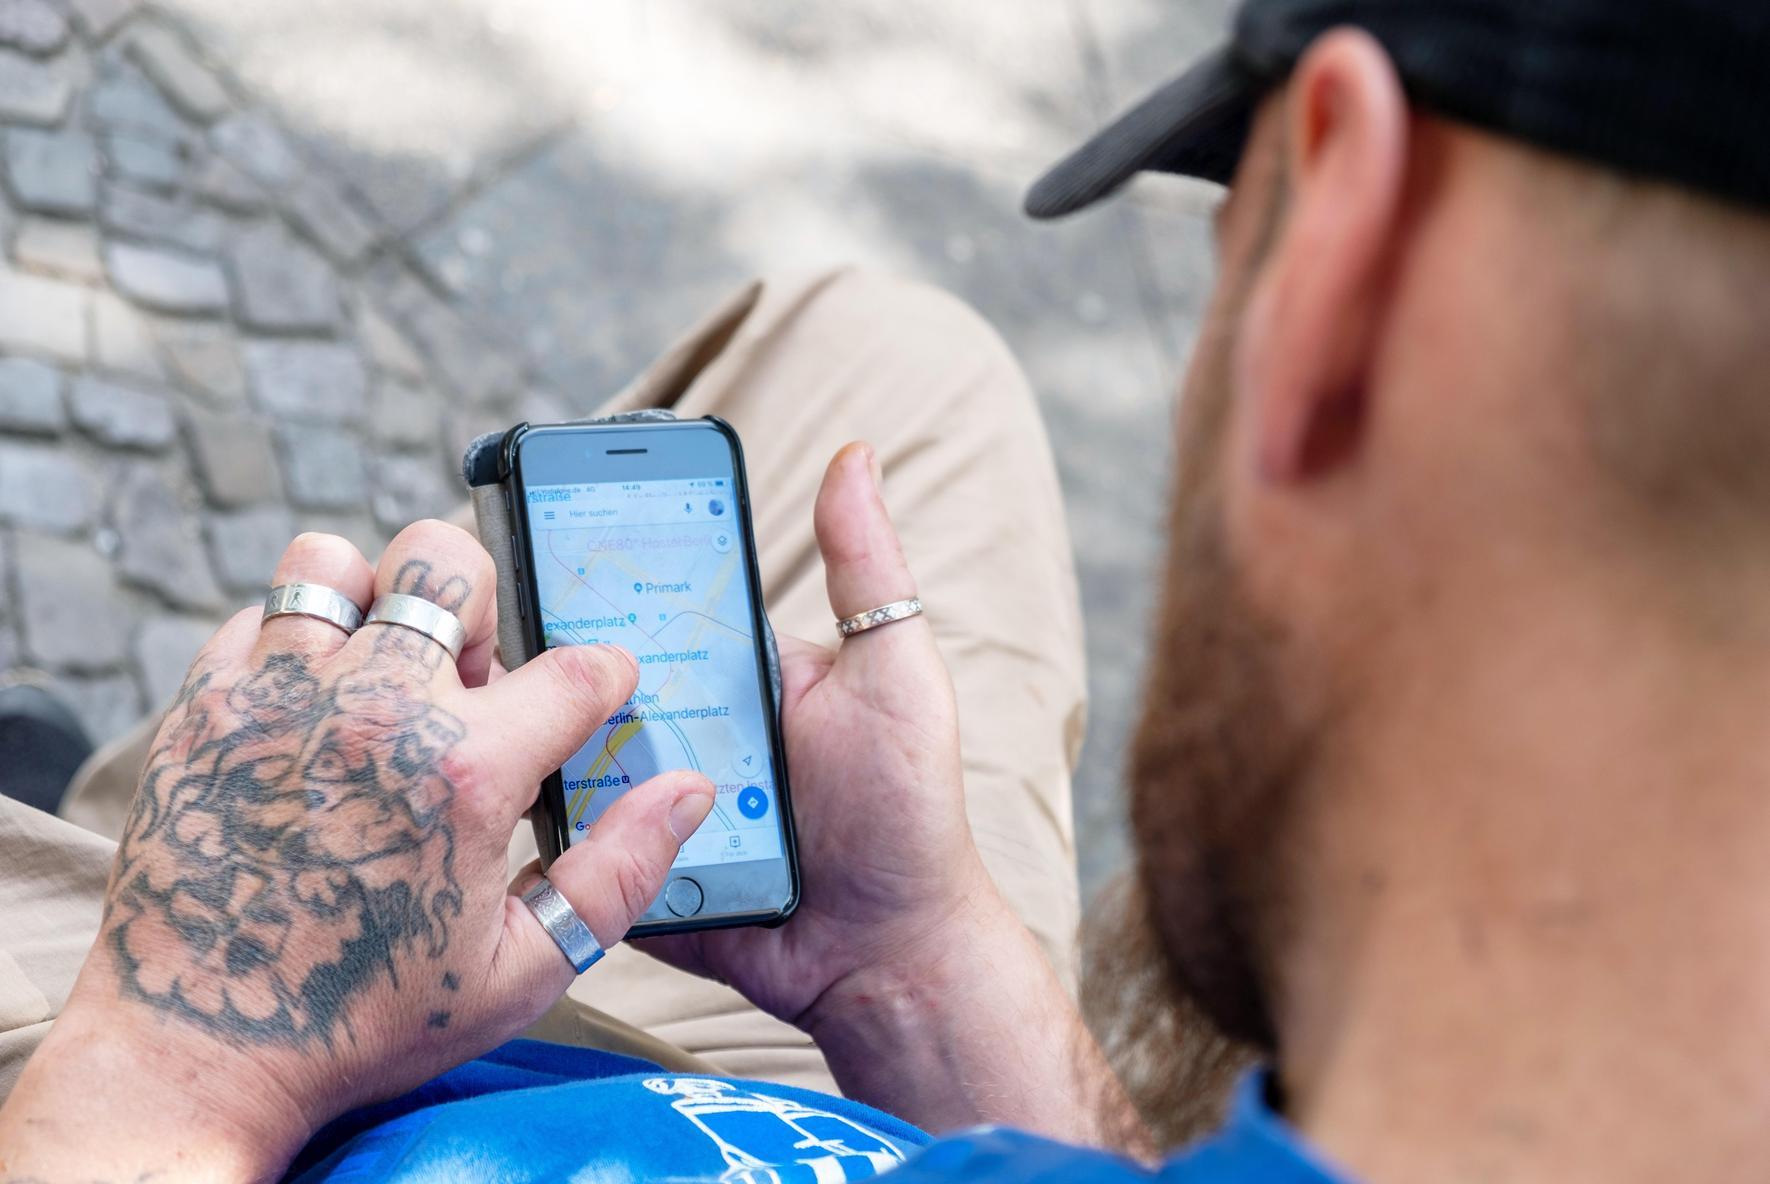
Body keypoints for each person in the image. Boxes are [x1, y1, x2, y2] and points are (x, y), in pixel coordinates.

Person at [5, 0, 1770, 1177]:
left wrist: (176, 1054)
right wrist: (913, 973)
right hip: (806, 1067)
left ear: (1341, 288)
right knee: (893, 355)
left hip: (211, 1099)